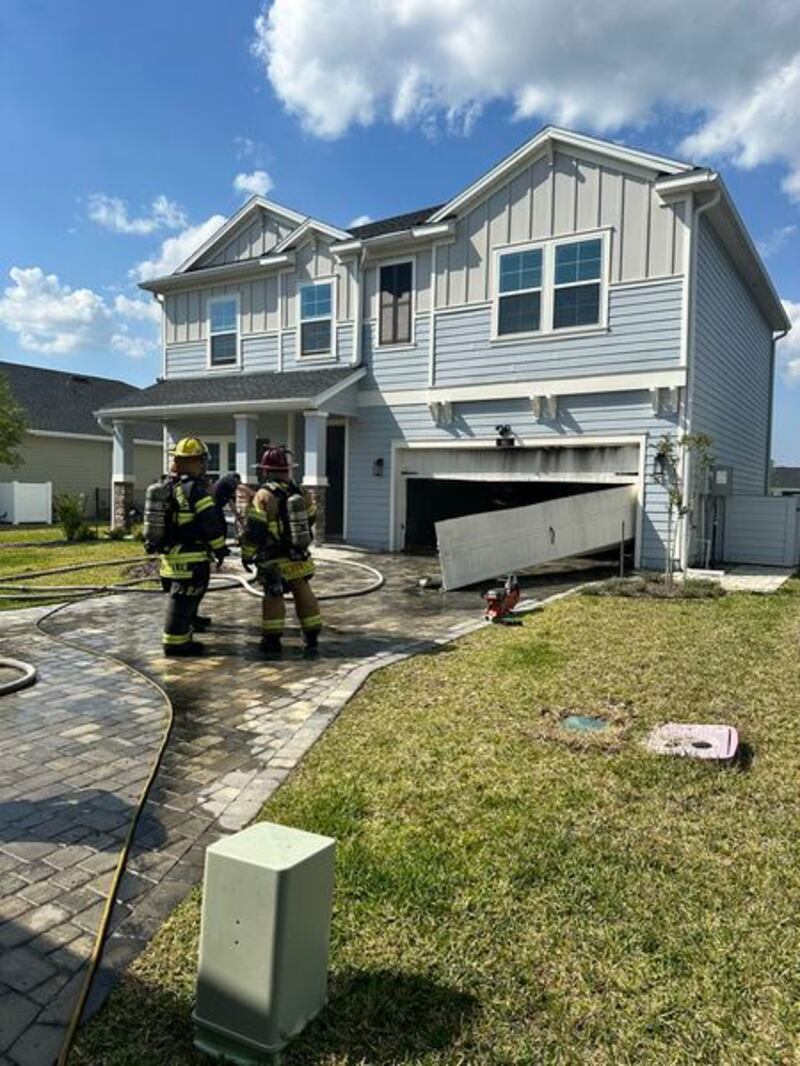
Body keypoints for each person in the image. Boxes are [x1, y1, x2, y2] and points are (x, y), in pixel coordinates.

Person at [240, 446, 322, 659]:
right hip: (298, 554)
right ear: (288, 469)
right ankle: (311, 636)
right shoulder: (301, 492)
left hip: (273, 558)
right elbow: (311, 518)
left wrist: (247, 555)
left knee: (273, 596)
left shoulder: (263, 495)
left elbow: (255, 531)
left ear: (266, 471)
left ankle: (272, 641)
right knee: (303, 590)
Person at [159, 436, 227, 656]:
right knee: (184, 599)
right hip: (191, 557)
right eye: (202, 461)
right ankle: (176, 643)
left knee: (184, 599)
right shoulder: (195, 490)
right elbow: (210, 523)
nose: (203, 465)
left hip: (169, 559)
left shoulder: (167, 486)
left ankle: (187, 630)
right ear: (197, 461)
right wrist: (220, 549)